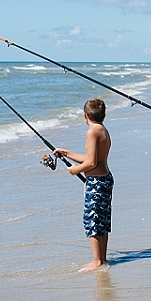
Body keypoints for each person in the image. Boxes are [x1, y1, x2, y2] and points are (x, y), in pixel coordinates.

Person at [54, 98, 113, 272]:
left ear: (84, 116)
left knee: (92, 220)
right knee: (102, 220)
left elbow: (91, 163)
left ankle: (97, 262)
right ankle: (102, 258)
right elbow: (93, 158)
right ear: (104, 115)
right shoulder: (102, 130)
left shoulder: (91, 132)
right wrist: (66, 153)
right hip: (105, 179)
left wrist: (75, 170)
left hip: (96, 182)